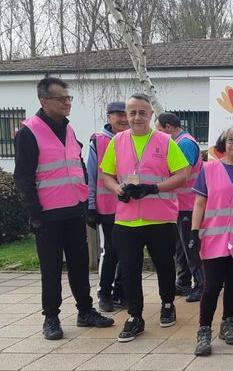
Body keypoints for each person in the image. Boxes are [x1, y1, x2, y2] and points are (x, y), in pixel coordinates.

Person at [14, 77, 114, 340]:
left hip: (73, 209)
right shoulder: (28, 132)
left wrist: (85, 202)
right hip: (47, 215)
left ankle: (85, 311)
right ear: (44, 101)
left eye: (68, 98)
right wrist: (34, 214)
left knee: (80, 264)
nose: (67, 103)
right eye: (62, 99)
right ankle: (51, 318)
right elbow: (23, 177)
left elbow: (76, 164)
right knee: (51, 267)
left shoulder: (68, 129)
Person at [101, 93, 190, 342]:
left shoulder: (165, 141)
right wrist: (117, 189)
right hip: (126, 219)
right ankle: (135, 316)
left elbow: (182, 174)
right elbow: (106, 175)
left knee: (164, 265)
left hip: (160, 218)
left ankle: (168, 303)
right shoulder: (117, 141)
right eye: (132, 112)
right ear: (126, 115)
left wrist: (154, 188)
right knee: (129, 270)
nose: (137, 117)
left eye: (142, 112)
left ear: (151, 114)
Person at [191, 126, 233, 356]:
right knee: (212, 286)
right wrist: (193, 232)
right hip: (213, 238)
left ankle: (228, 324)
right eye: (230, 140)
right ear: (223, 143)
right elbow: (199, 203)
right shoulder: (208, 169)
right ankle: (204, 330)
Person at [155, 112, 205, 302]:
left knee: (191, 246)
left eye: (159, 130)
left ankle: (201, 284)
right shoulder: (180, 142)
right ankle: (183, 282)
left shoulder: (184, 144)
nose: (158, 134)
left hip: (189, 204)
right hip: (181, 204)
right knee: (181, 247)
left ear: (168, 127)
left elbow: (181, 173)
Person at [87, 101, 129, 312]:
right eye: (117, 115)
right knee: (110, 252)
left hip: (131, 208)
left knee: (128, 252)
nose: (123, 119)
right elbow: (92, 174)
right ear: (108, 117)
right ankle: (104, 293)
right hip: (107, 208)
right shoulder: (99, 141)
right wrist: (91, 206)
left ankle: (121, 292)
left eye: (125, 114)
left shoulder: (133, 139)